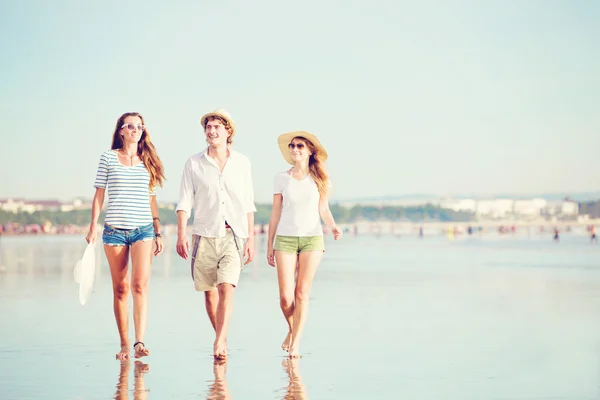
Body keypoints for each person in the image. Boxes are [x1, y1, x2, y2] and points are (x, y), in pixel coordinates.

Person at [175, 109, 256, 360]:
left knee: (226, 288)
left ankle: (220, 340)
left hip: (233, 235)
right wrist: (181, 234)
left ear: (228, 131)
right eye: (208, 127)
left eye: (216, 127)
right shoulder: (194, 163)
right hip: (204, 234)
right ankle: (221, 335)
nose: (211, 131)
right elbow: (185, 200)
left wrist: (251, 238)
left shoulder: (242, 162)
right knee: (209, 292)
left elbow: (248, 203)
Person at [86, 112, 165, 361]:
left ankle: (140, 342)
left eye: (139, 126)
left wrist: (158, 230)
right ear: (121, 131)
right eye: (130, 126)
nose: (135, 129)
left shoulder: (148, 161)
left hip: (143, 229)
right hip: (114, 232)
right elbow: (99, 194)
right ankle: (124, 344)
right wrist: (92, 227)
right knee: (120, 289)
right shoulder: (108, 158)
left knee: (139, 285)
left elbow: (151, 198)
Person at [267, 131, 342, 358]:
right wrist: (270, 244)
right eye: (292, 146)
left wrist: (333, 226)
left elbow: (323, 209)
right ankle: (292, 330)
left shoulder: (320, 178)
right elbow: (275, 213)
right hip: (285, 240)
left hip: (312, 239)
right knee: (286, 298)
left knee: (302, 293)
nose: (295, 149)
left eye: (300, 146)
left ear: (310, 150)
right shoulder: (281, 178)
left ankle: (296, 344)